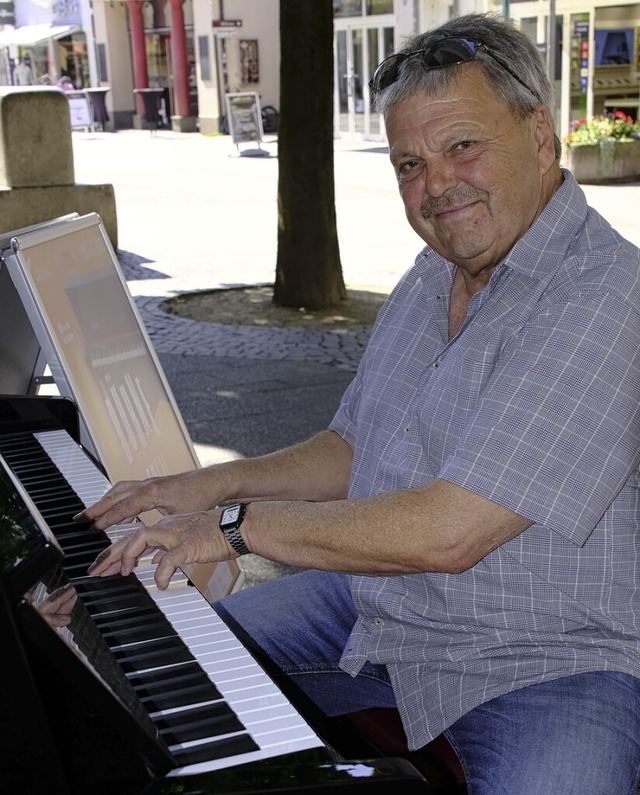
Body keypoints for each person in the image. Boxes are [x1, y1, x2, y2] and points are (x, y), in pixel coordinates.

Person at [78, 12, 640, 794]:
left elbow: (450, 531)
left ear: (540, 136)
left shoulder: (608, 293)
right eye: (410, 162)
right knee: (159, 675)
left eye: (462, 146)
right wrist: (202, 486)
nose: (436, 185)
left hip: (548, 660)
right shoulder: (432, 270)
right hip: (383, 611)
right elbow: (353, 446)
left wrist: (234, 528)